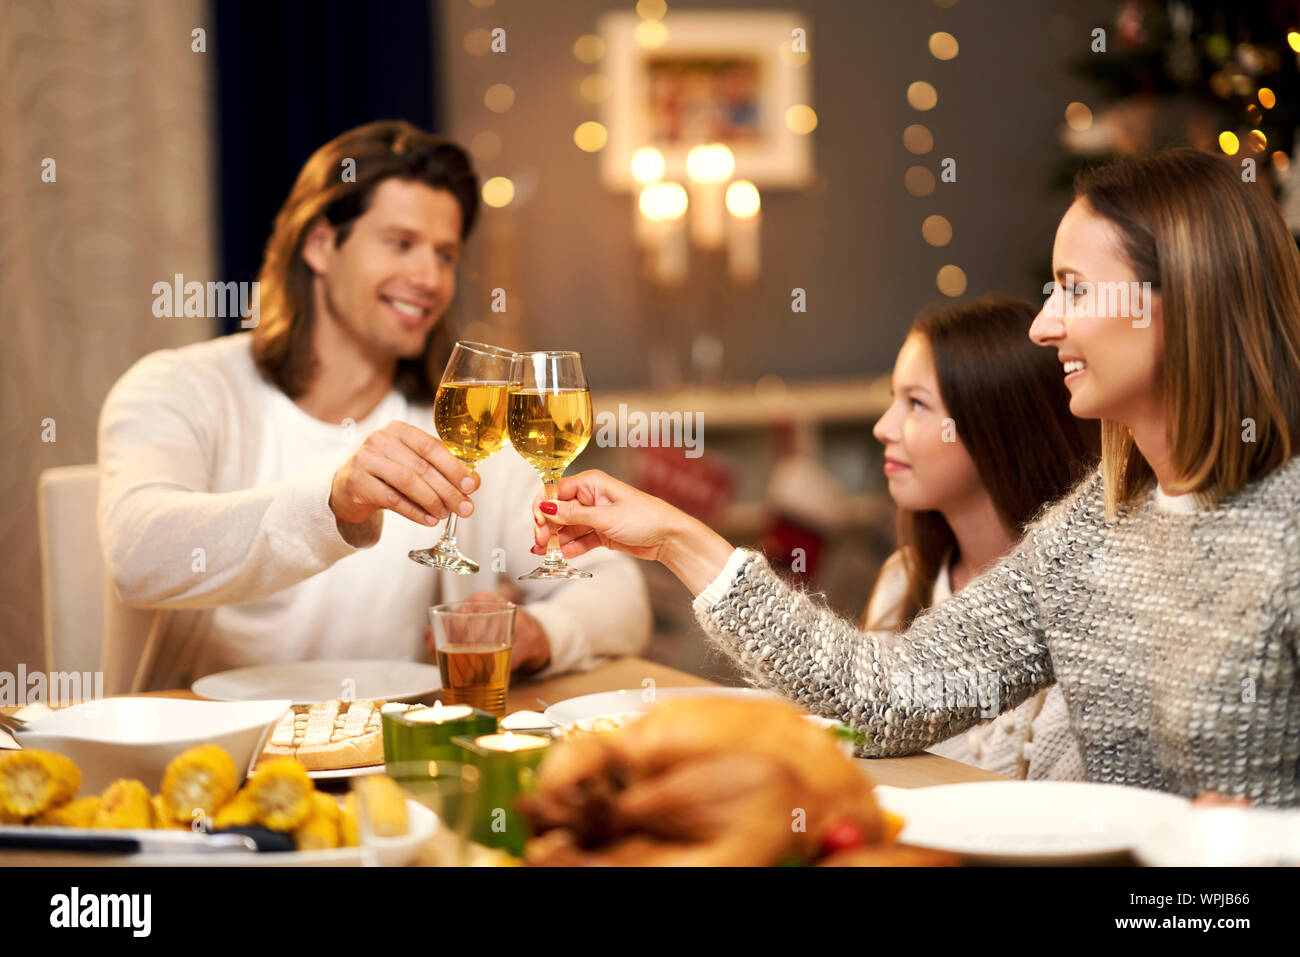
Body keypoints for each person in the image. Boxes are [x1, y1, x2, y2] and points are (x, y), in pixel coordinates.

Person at [530, 148, 1300, 807]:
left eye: (1074, 288)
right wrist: (674, 536)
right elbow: (886, 692)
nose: (1043, 326)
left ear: (1182, 300)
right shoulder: (1092, 528)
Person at [97, 120, 650, 693]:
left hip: (402, 754)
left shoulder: (468, 426)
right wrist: (336, 500)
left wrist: (539, 632)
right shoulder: (180, 388)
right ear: (319, 246)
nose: (429, 278)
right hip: (222, 756)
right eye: (401, 244)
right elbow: (140, 554)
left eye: (444, 254)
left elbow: (618, 592)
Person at [863, 297, 1097, 779]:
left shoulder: (1078, 607)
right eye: (893, 400)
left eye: (916, 403)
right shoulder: (901, 580)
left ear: (997, 423)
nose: (883, 428)